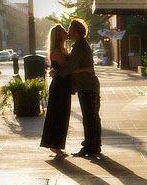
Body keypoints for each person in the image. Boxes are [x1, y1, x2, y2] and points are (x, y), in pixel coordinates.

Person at [55, 18, 102, 158]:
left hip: (87, 86)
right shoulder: (80, 46)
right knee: (92, 117)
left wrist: (58, 73)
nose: (68, 32)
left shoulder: (80, 47)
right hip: (87, 86)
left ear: (75, 31)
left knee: (89, 118)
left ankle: (89, 146)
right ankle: (93, 146)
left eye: (70, 29)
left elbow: (71, 67)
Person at [40, 24, 72, 156]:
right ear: (59, 36)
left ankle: (57, 145)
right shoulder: (58, 52)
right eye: (64, 31)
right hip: (59, 86)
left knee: (62, 115)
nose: (67, 32)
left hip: (63, 85)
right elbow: (68, 67)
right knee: (57, 115)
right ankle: (54, 146)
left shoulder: (63, 49)